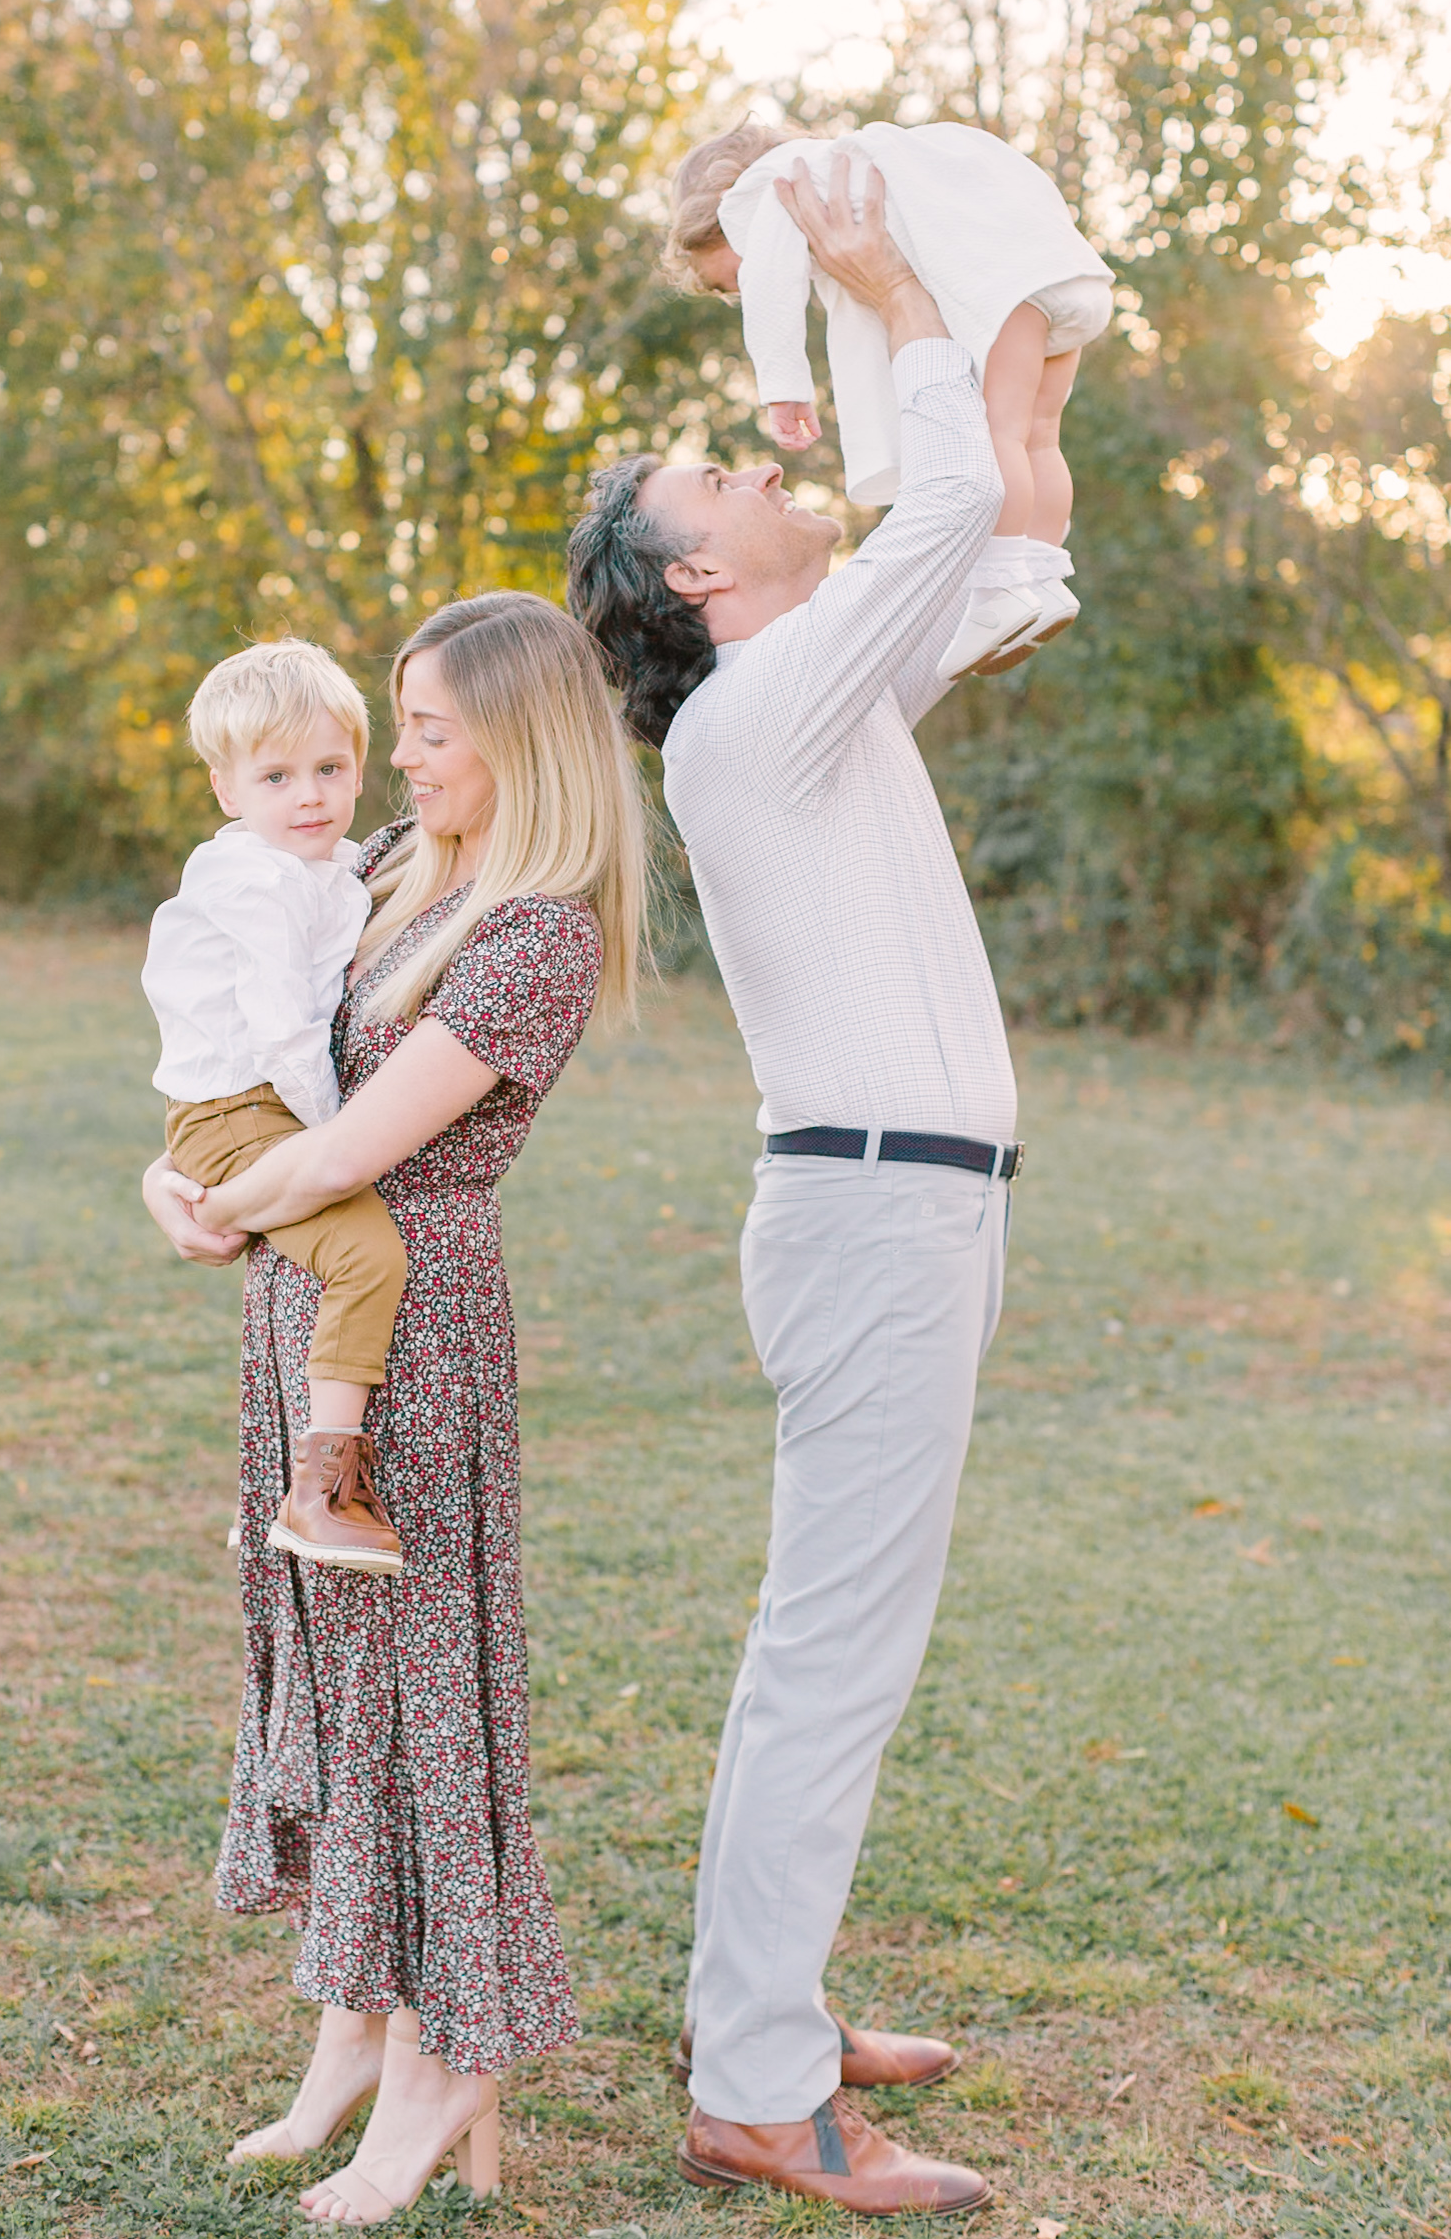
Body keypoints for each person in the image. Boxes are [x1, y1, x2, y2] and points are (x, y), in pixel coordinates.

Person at [567, 153, 1017, 2220]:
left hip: (906, 1203)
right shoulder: (753, 716)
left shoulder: (803, 697)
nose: (758, 463)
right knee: (832, 1653)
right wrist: (876, 279)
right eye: (717, 475)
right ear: (696, 577)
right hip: (872, 1210)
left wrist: (989, 343)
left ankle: (768, 2012)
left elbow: (985, 534)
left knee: (827, 1646)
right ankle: (754, 2086)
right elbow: (941, 507)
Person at [142, 593, 647, 2228]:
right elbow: (245, 1049)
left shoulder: (536, 933)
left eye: (427, 730)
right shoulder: (377, 870)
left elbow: (361, 1147)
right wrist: (170, 1177)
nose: (397, 758)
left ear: (518, 741)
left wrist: (231, 1202)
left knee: (414, 1689)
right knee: (333, 1673)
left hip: (411, 1329)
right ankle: (352, 2021)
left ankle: (444, 2061)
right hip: (304, 1298)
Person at [665, 116, 1113, 680]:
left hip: (1009, 289)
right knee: (1038, 439)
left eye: (729, 284)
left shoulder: (773, 191)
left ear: (721, 217)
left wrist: (784, 389)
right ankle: (1042, 579)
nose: (738, 293)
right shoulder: (870, 168)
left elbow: (771, 290)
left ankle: (999, 592)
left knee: (1000, 434)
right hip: (1060, 273)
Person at [142, 637, 409, 1571]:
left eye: (330, 769)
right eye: (277, 777)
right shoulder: (257, 885)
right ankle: (320, 1491)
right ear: (228, 791)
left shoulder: (332, 867)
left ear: (360, 768)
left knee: (329, 1260)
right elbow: (286, 1032)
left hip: (245, 1106)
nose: (309, 796)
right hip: (241, 1108)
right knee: (365, 1254)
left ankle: (289, 1481)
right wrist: (336, 1136)